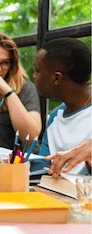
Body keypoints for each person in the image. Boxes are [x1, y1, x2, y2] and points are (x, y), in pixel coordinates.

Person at [32, 37, 92, 177]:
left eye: (38, 70)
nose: (34, 76)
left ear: (57, 78)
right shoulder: (55, 116)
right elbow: (43, 168)